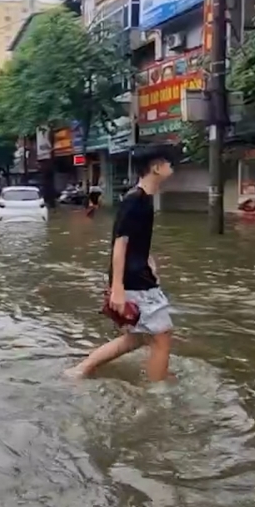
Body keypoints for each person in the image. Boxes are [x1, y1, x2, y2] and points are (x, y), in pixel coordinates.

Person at [67, 145, 178, 382]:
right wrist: (117, 287)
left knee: (137, 338)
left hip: (140, 275)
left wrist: (150, 262)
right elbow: (120, 243)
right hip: (133, 279)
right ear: (156, 168)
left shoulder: (145, 199)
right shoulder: (135, 200)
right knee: (162, 335)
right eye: (169, 163)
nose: (172, 167)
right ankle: (157, 389)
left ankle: (82, 369)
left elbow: (137, 242)